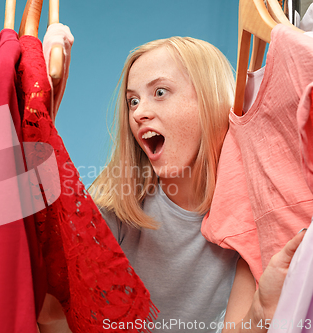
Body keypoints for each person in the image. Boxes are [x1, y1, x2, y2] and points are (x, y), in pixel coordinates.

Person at [89, 37, 305, 332]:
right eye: (133, 101)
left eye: (160, 92)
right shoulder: (112, 205)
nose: (139, 113)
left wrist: (260, 313)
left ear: (209, 99)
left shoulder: (251, 216)